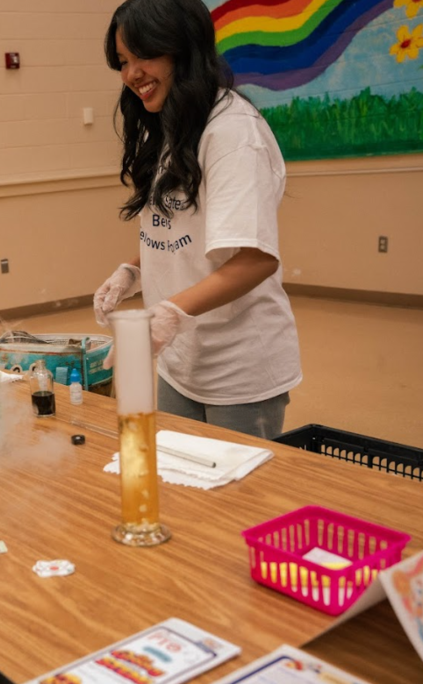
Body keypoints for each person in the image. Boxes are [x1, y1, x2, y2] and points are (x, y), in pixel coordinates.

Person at [93, 0, 302, 439]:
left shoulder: (232, 133)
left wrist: (168, 312)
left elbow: (256, 258)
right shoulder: (175, 123)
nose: (131, 75)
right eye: (124, 61)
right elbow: (184, 231)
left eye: (143, 56)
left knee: (235, 503)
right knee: (182, 491)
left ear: (182, 50)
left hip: (238, 369)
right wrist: (132, 270)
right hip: (180, 359)